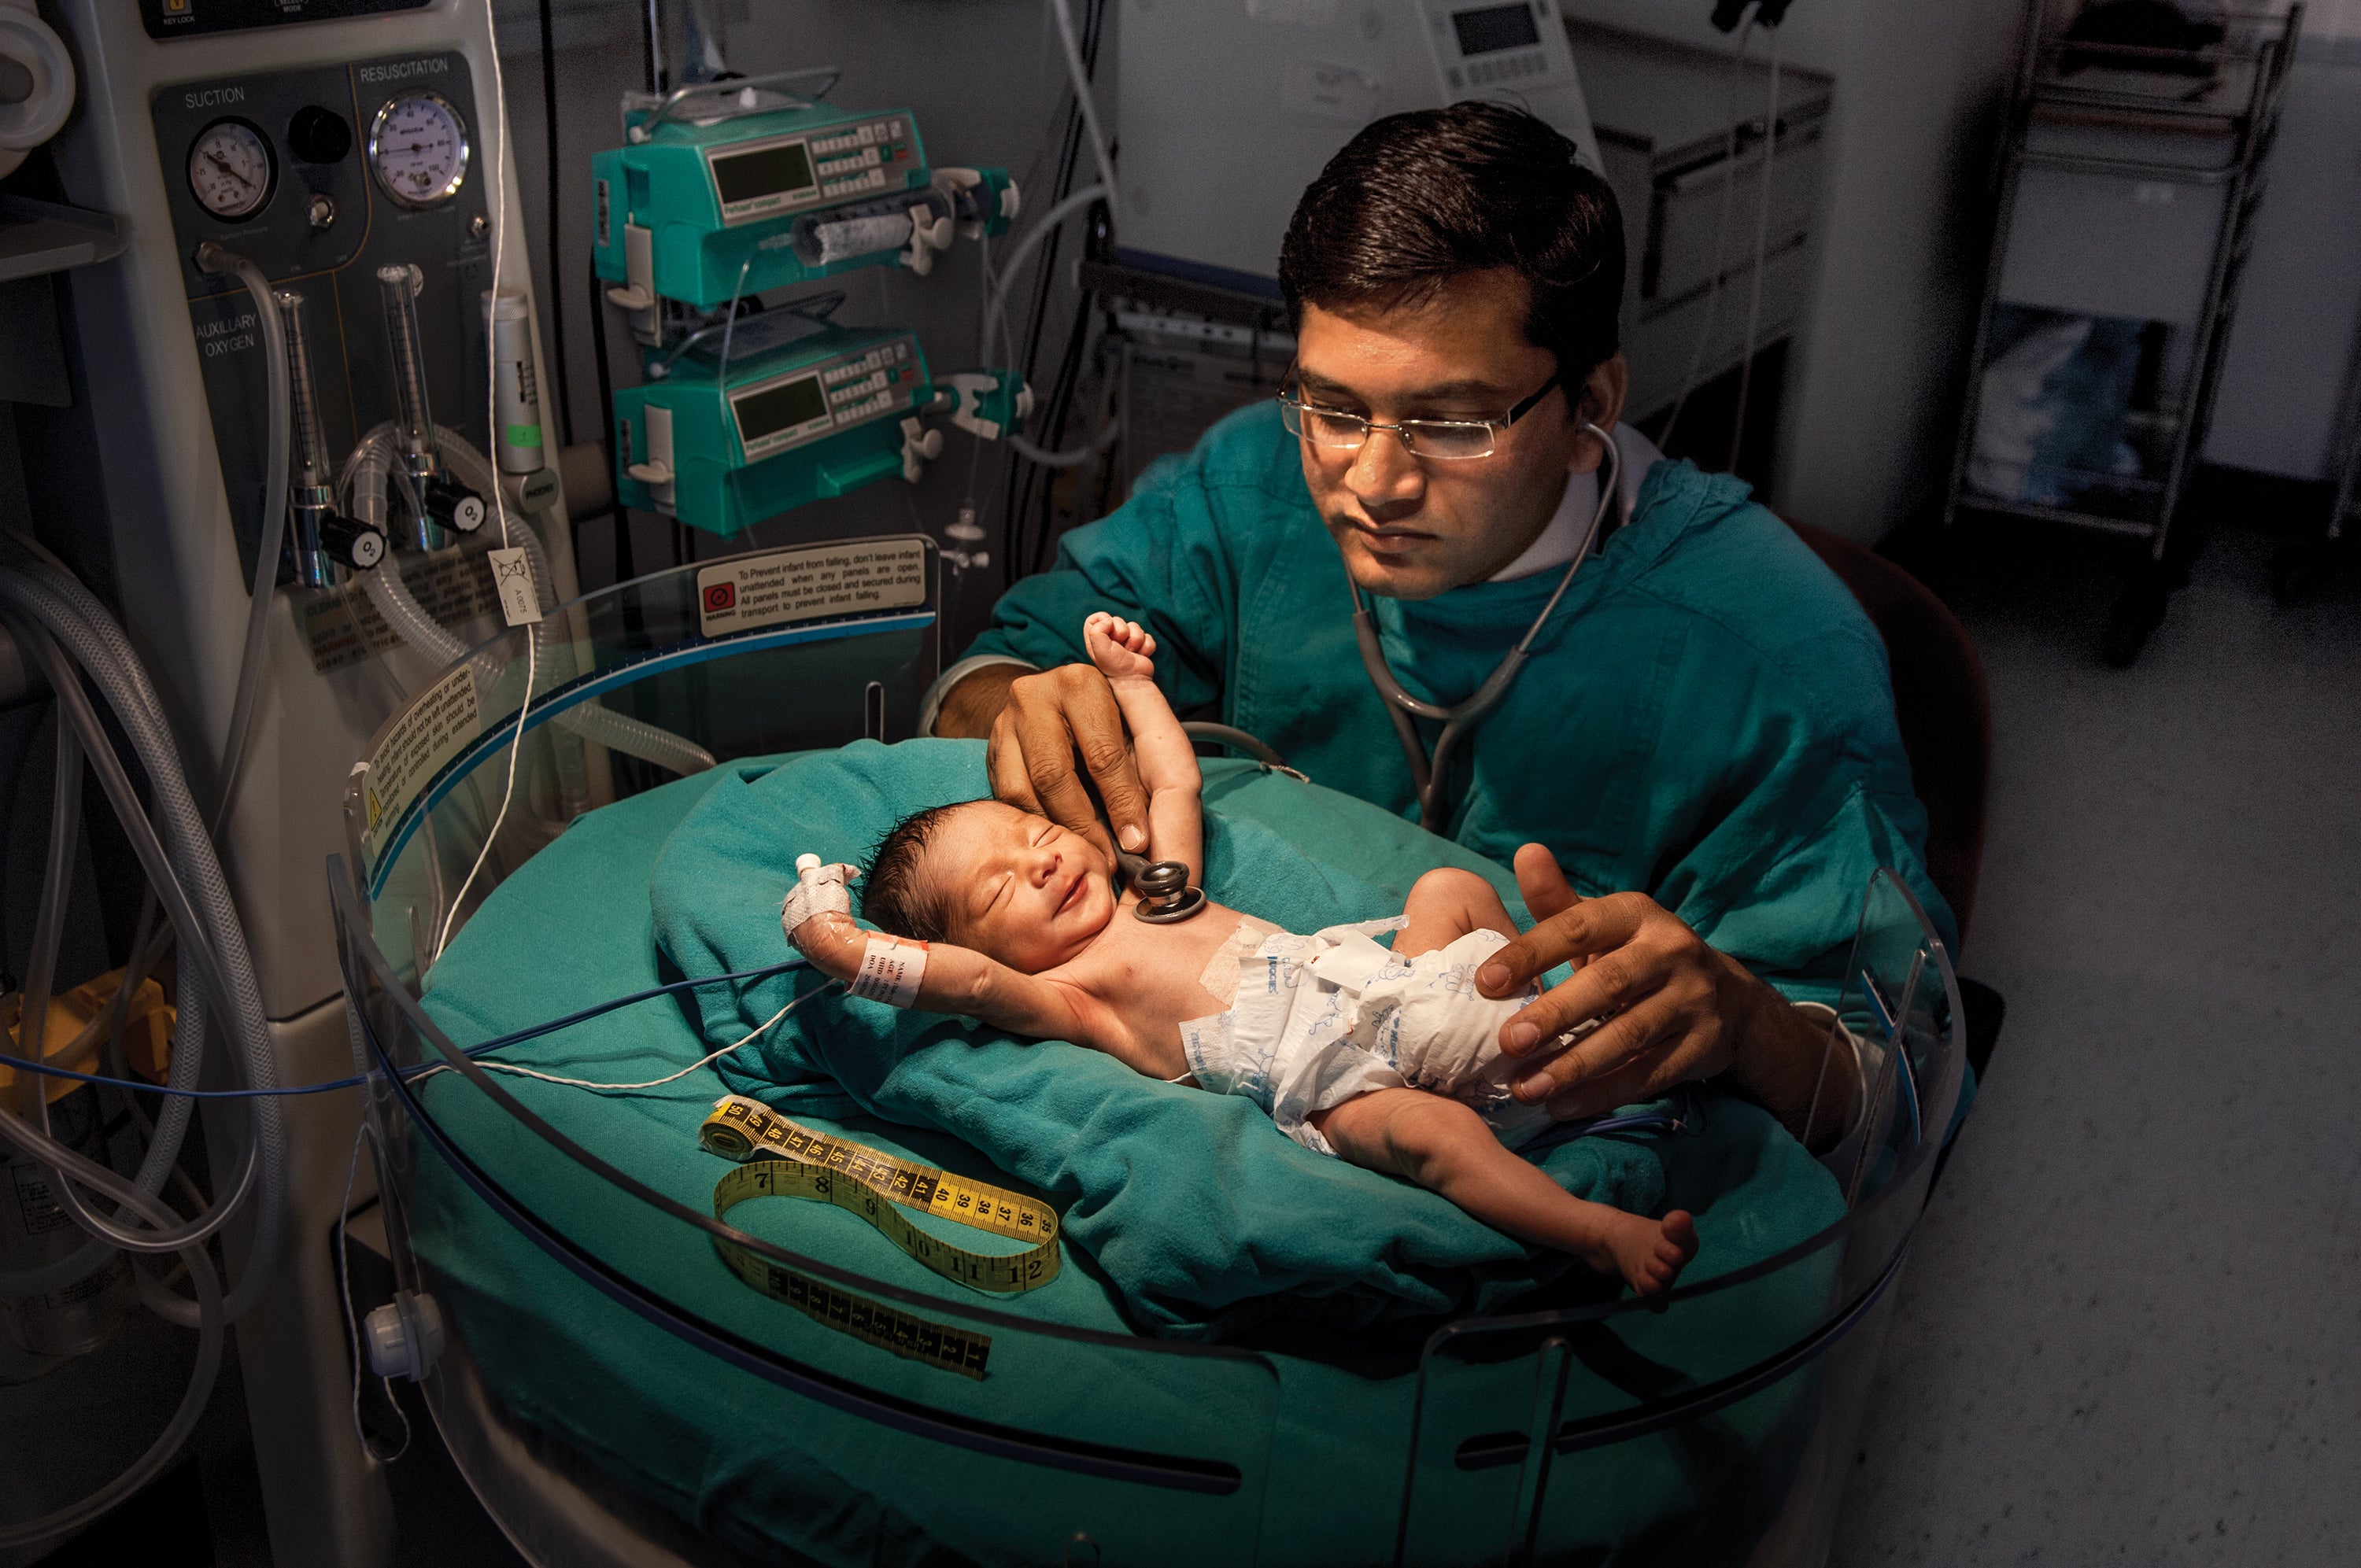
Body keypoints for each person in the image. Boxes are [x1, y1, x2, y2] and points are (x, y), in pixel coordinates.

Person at [922, 103, 1953, 1149]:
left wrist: (1751, 1026)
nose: (1373, 482)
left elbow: (1894, 1089)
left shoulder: (1773, 661)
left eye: (1451, 424)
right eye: (1333, 409)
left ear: (1591, 402)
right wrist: (1021, 704)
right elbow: (1001, 666)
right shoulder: (1252, 486)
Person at [787, 614, 1704, 1297]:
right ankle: (1597, 1231)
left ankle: (1552, 1011)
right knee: (1435, 1141)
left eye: (1032, 832)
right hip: (1335, 1084)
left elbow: (1175, 776)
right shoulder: (1070, 992)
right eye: (999, 892)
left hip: (1395, 986)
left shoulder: (1157, 884)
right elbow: (972, 981)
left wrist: (1131, 681)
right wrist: (846, 950)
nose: (1043, 860)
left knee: (1446, 895)